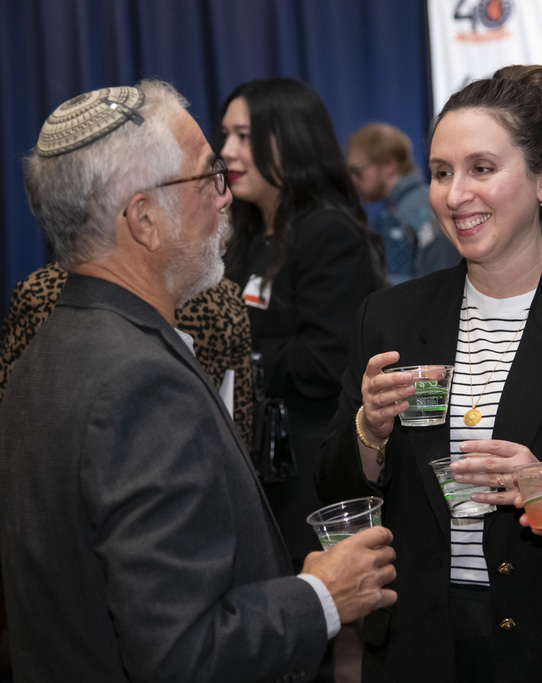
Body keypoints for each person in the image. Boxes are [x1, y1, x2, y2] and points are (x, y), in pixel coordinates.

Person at [0, 80, 397, 681]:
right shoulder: (137, 384)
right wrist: (321, 594)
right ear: (146, 219)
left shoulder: (48, 349)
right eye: (207, 177)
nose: (224, 198)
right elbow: (182, 653)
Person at [315, 65, 542, 681]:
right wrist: (369, 431)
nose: (455, 195)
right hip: (418, 639)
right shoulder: (391, 317)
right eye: (440, 173)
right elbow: (334, 489)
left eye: (481, 169)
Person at [219, 78, 384, 568]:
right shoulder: (246, 236)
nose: (227, 150)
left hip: (306, 473)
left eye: (244, 136)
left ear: (291, 138)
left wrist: (230, 359)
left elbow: (326, 359)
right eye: (225, 134)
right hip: (254, 467)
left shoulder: (328, 233)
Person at [0, 266, 255, 459]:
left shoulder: (40, 293)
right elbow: (240, 433)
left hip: (65, 516)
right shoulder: (222, 299)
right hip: (192, 502)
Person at [347, 123, 460, 284]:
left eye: (358, 170)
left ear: (390, 166)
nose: (352, 180)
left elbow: (400, 290)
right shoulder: (425, 201)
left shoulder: (400, 216)